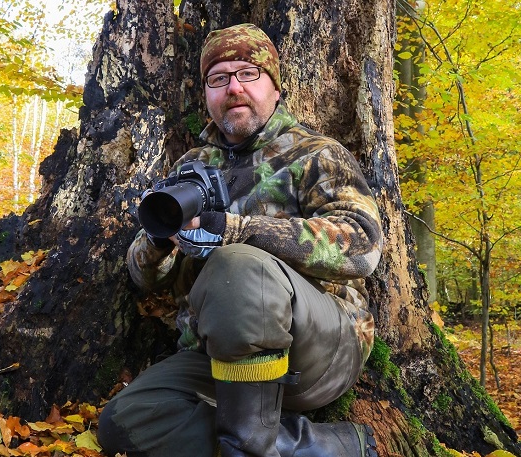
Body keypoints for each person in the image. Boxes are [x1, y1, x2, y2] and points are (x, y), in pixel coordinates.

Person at [97, 23, 383, 457]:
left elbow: (363, 244)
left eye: (248, 73)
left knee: (238, 265)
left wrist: (238, 230)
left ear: (275, 88)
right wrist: (161, 238)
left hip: (318, 347)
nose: (233, 88)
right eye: (218, 79)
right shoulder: (192, 165)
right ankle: (322, 446)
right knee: (124, 421)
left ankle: (247, 443)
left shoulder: (317, 153)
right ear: (207, 95)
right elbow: (144, 277)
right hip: (219, 359)